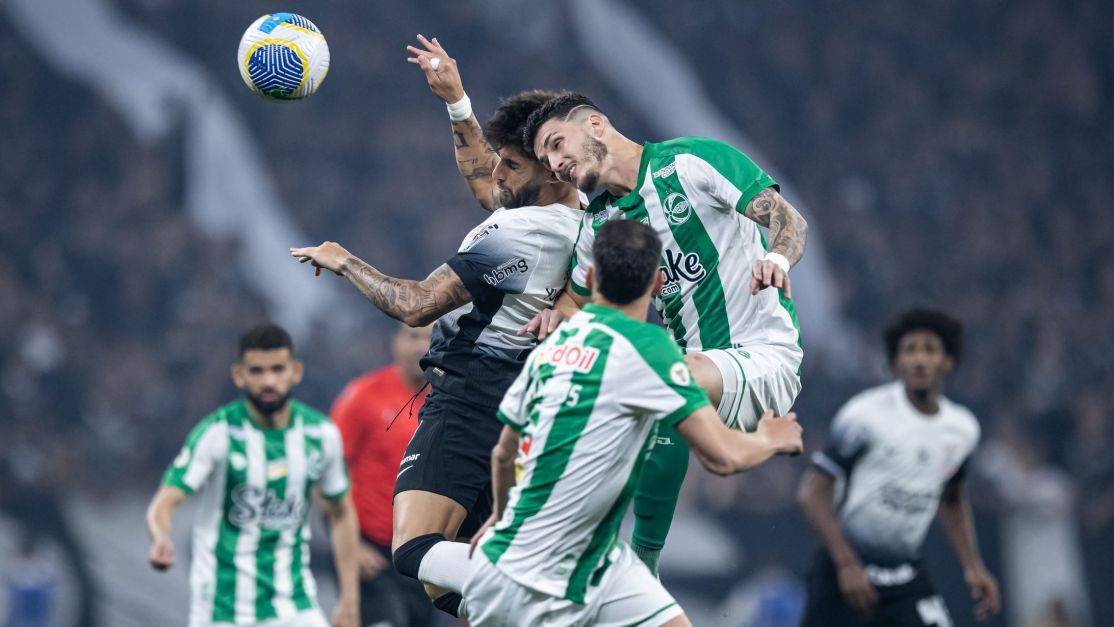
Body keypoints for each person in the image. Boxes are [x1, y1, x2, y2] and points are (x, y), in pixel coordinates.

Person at [290, 84, 582, 618]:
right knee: (454, 585)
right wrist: (457, 103)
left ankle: (556, 603)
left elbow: (417, 305)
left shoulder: (520, 234)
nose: (497, 175)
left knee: (415, 551)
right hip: (526, 404)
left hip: (472, 401)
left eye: (511, 166)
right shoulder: (577, 214)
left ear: (550, 170)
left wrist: (343, 261)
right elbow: (487, 186)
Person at [464, 219, 804, 626]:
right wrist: (770, 437)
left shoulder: (555, 347)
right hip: (539, 579)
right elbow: (724, 457)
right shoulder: (651, 349)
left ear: (589, 277)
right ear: (659, 283)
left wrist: (499, 519)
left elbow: (504, 453)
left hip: (558, 557)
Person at [523, 93, 808, 574]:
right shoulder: (600, 224)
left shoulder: (691, 162)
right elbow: (575, 300)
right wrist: (557, 318)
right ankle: (573, 550)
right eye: (546, 160)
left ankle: (644, 557)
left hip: (763, 358)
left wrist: (776, 259)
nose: (555, 165)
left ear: (595, 124)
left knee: (664, 375)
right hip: (688, 377)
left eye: (556, 144)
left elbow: (788, 219)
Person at [145, 323, 360, 627]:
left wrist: (349, 601)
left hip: (294, 607)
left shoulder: (321, 434)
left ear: (295, 372)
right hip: (224, 610)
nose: (268, 380)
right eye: (257, 371)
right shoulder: (217, 433)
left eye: (277, 369)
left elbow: (341, 513)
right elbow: (167, 498)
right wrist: (160, 536)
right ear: (239, 375)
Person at [796, 308, 1000, 626]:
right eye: (910, 350)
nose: (919, 359)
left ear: (948, 361)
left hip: (906, 576)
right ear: (895, 362)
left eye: (930, 350)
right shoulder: (864, 416)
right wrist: (846, 564)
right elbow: (813, 492)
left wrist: (973, 565)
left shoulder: (962, 429)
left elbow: (951, 497)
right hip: (844, 575)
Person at [329, 323, 434, 627]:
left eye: (429, 338)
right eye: (413, 336)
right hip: (371, 554)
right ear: (395, 343)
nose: (420, 347)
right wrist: (352, 547)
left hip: (423, 554)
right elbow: (328, 478)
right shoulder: (363, 395)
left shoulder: (449, 402)